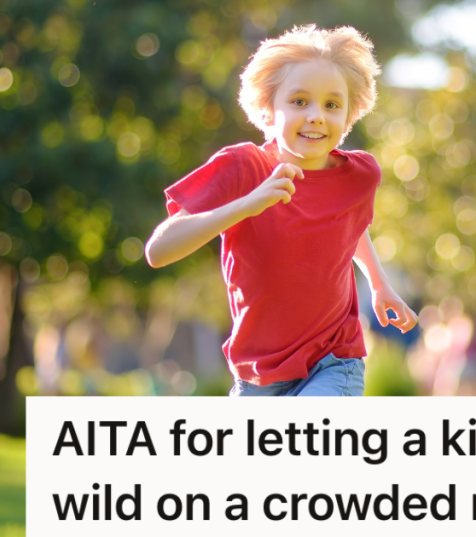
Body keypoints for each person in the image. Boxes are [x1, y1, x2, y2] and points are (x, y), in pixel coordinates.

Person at [145, 24, 417, 396]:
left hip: (334, 361)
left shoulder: (360, 175)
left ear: (349, 114)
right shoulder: (242, 168)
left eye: (332, 105)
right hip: (257, 377)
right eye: (300, 101)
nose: (317, 115)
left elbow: (348, 225)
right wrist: (247, 204)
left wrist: (379, 282)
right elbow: (158, 251)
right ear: (269, 108)